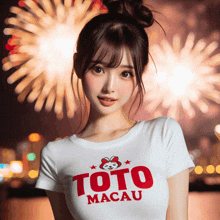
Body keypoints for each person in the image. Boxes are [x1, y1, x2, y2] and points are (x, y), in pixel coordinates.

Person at [35, 0, 195, 219]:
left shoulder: (163, 134)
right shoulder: (56, 155)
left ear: (140, 73)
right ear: (78, 64)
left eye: (125, 73)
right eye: (99, 69)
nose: (110, 87)